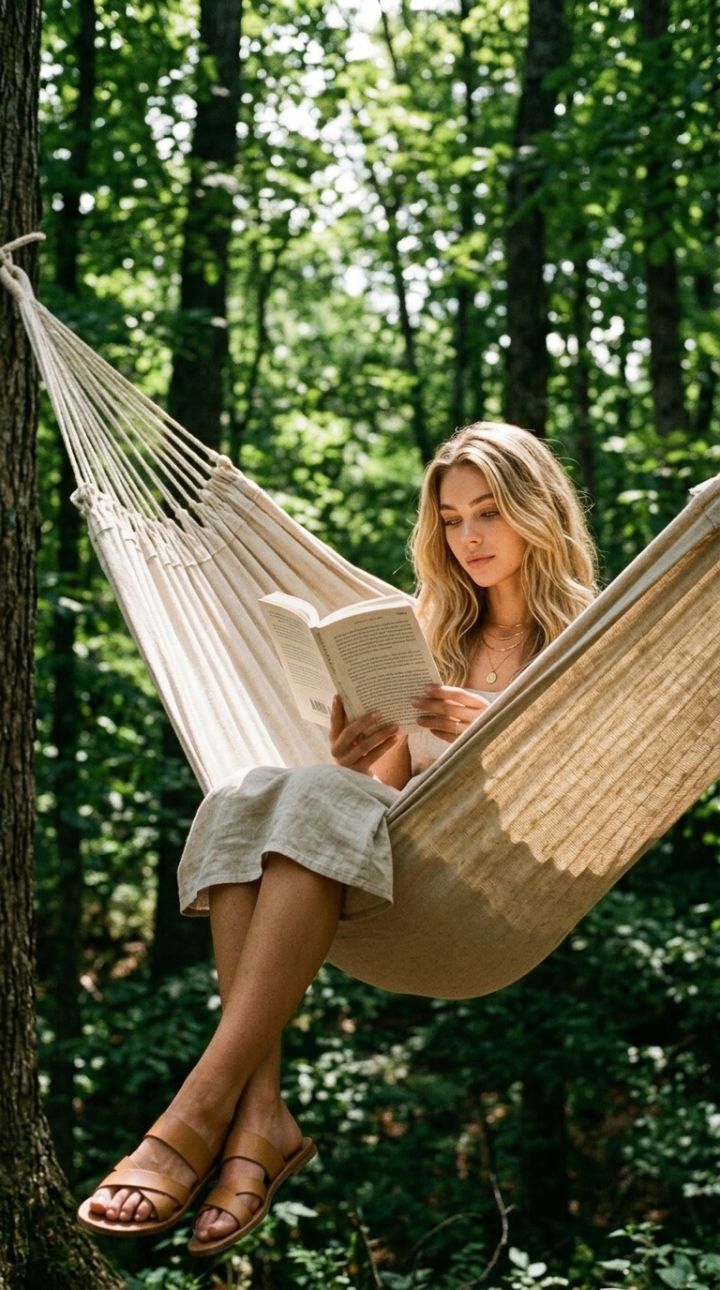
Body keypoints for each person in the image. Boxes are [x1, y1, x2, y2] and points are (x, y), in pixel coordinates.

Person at [77, 421, 597, 1255]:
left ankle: (198, 1113)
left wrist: (498, 735)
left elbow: (587, 797)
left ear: (536, 510)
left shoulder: (590, 638)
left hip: (490, 885)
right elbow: (387, 789)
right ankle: (259, 1122)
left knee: (308, 794)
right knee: (245, 793)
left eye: (488, 512)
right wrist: (359, 754)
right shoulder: (434, 633)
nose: (468, 537)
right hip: (402, 864)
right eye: (451, 519)